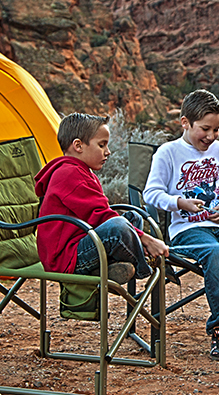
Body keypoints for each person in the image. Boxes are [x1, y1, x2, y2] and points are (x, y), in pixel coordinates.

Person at [143, 89, 219, 361]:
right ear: (185, 123)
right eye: (204, 129)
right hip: (187, 230)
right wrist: (179, 203)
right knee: (215, 254)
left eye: (216, 129)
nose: (210, 136)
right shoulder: (168, 152)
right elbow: (151, 194)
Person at [34, 112, 168, 283]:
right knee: (117, 226)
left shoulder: (81, 171)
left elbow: (100, 214)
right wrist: (146, 238)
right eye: (102, 145)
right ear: (78, 146)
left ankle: (110, 266)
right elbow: (101, 216)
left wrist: (137, 234)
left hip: (80, 243)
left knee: (132, 217)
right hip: (66, 259)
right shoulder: (68, 174)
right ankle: (148, 265)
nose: (108, 152)